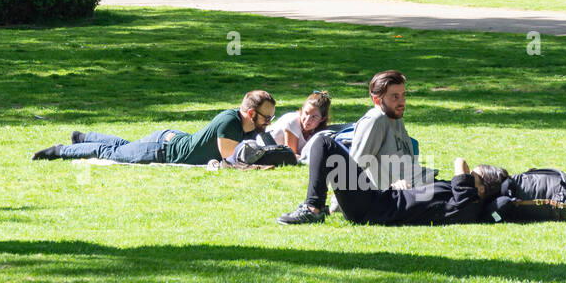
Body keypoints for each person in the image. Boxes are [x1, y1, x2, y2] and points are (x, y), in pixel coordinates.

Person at [31, 90, 276, 164]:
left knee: (126, 147)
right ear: (251, 113)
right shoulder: (230, 121)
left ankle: (83, 136)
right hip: (162, 149)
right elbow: (232, 159)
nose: (268, 124)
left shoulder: (250, 127)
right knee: (113, 154)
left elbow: (267, 146)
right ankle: (59, 150)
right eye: (266, 118)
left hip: (168, 140)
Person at [276, 149, 506, 226]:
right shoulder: (462, 199)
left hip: (372, 207)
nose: (465, 177)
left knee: (323, 144)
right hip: (378, 200)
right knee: (326, 147)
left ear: (482, 189)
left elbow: (459, 162)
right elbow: (425, 203)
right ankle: (322, 209)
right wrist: (403, 189)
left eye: (472, 177)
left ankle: (313, 209)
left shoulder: (467, 202)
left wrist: (467, 175)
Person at [346, 70, 435, 191]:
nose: (402, 102)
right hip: (401, 195)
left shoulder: (395, 117)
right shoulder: (375, 120)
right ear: (377, 100)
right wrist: (339, 204)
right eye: (395, 97)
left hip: (420, 183)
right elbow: (353, 166)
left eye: (403, 95)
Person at [266, 90, 331, 156]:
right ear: (302, 109)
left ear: (322, 119)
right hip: (262, 152)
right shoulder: (293, 121)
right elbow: (291, 156)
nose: (307, 120)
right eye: (306, 113)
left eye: (314, 117)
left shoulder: (319, 131)